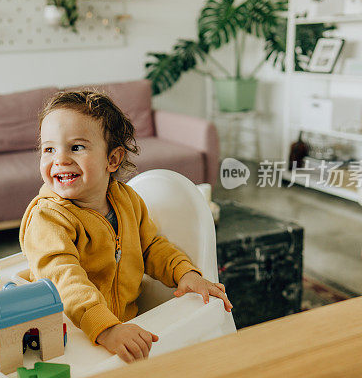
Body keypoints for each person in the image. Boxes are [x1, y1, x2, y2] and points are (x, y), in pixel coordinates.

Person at [20, 90, 233, 363]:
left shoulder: (126, 200)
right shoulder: (48, 219)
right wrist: (106, 328)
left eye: (76, 147)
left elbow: (152, 246)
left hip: (123, 327)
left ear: (113, 159)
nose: (60, 159)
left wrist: (184, 273)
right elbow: (64, 280)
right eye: (49, 149)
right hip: (70, 336)